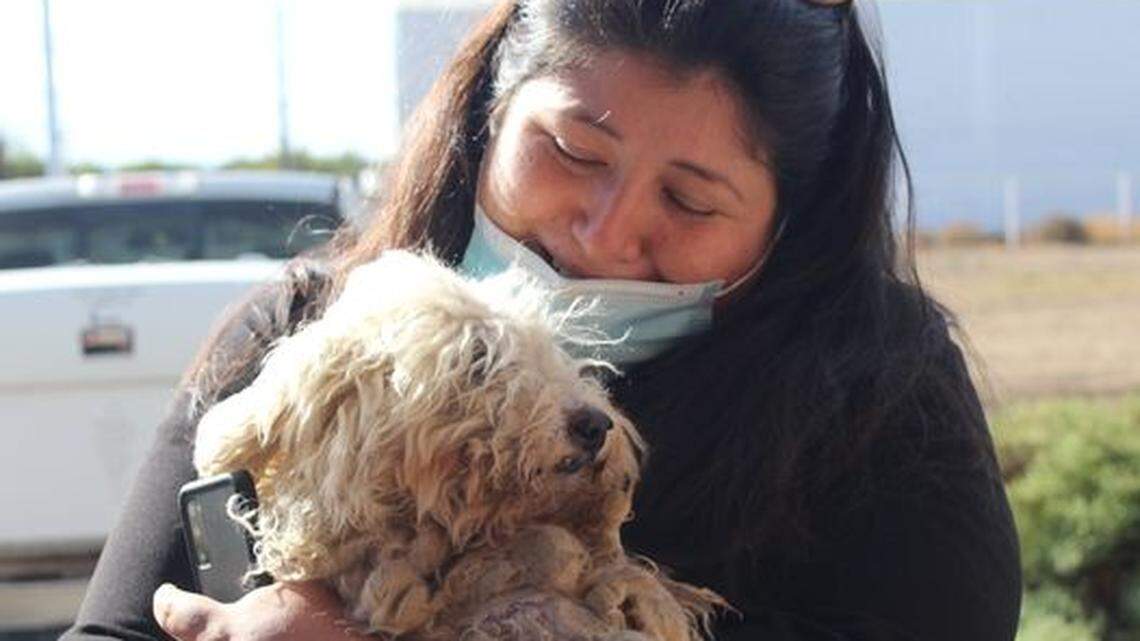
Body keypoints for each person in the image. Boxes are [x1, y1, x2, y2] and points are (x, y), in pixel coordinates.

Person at [61, 1, 1022, 640]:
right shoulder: (304, 339)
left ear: (787, 226)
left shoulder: (880, 405)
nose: (605, 233)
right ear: (488, 112)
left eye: (689, 201)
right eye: (570, 151)